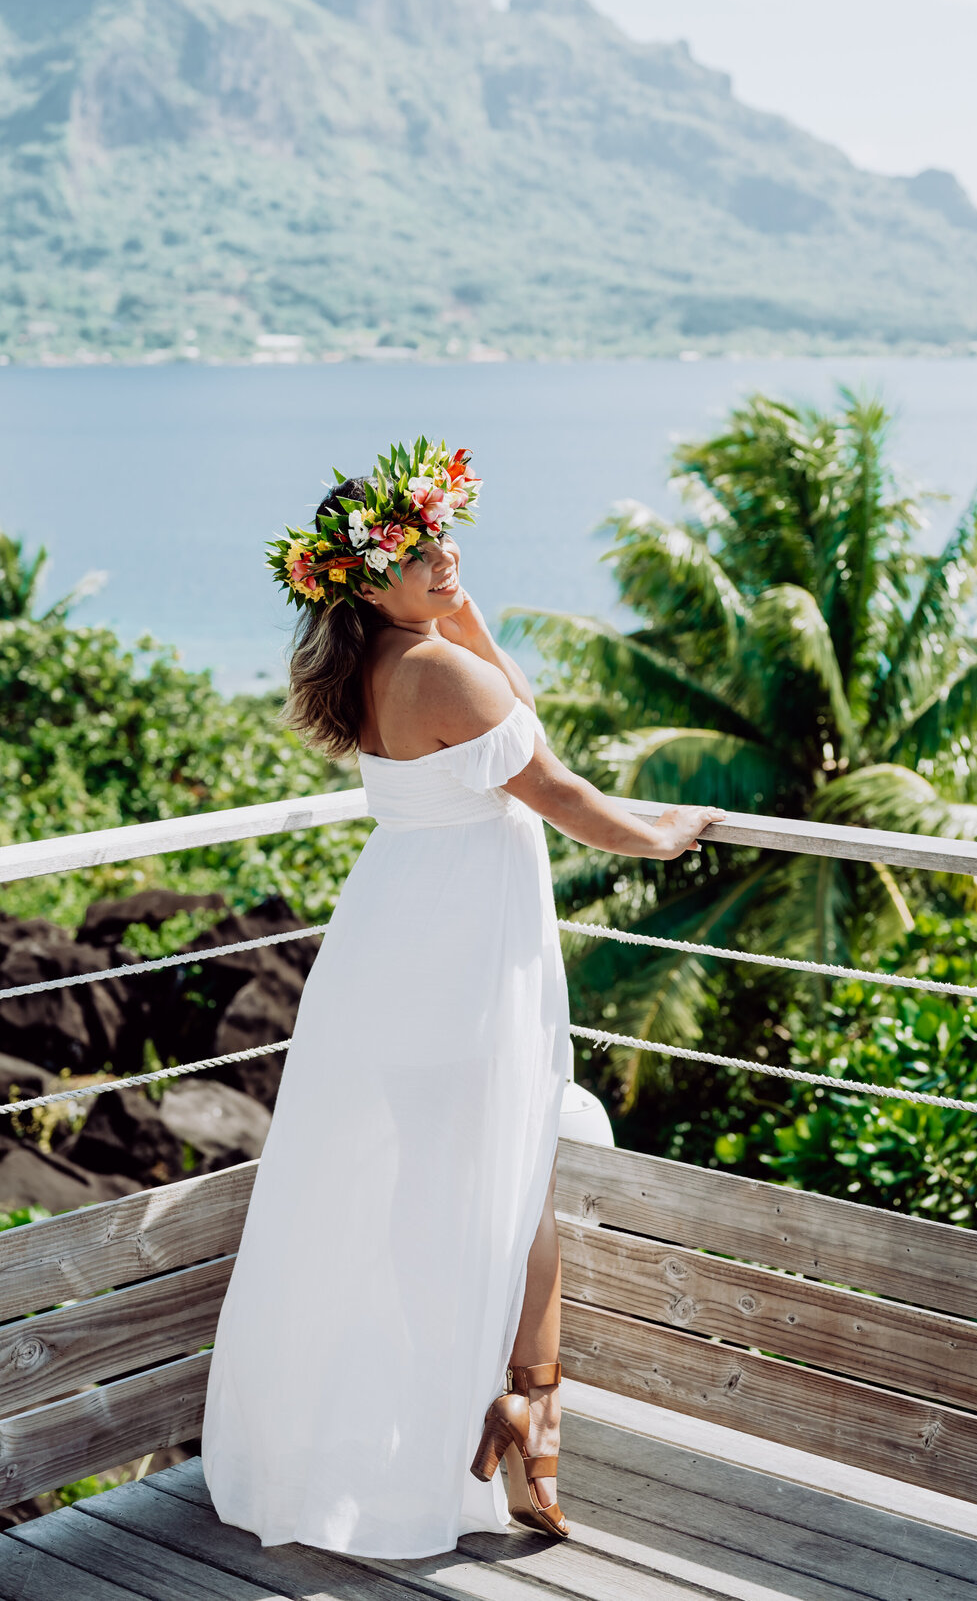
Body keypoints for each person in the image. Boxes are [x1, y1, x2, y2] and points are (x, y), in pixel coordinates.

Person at [200, 439, 723, 1560]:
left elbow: (509, 718)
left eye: (445, 539)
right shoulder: (446, 672)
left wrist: (455, 604)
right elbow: (560, 786)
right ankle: (528, 1407)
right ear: (364, 580)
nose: (444, 559)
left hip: (397, 945)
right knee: (511, 1177)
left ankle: (505, 1407)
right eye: (417, 551)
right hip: (465, 962)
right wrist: (664, 834)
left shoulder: (381, 667)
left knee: (462, 1187)